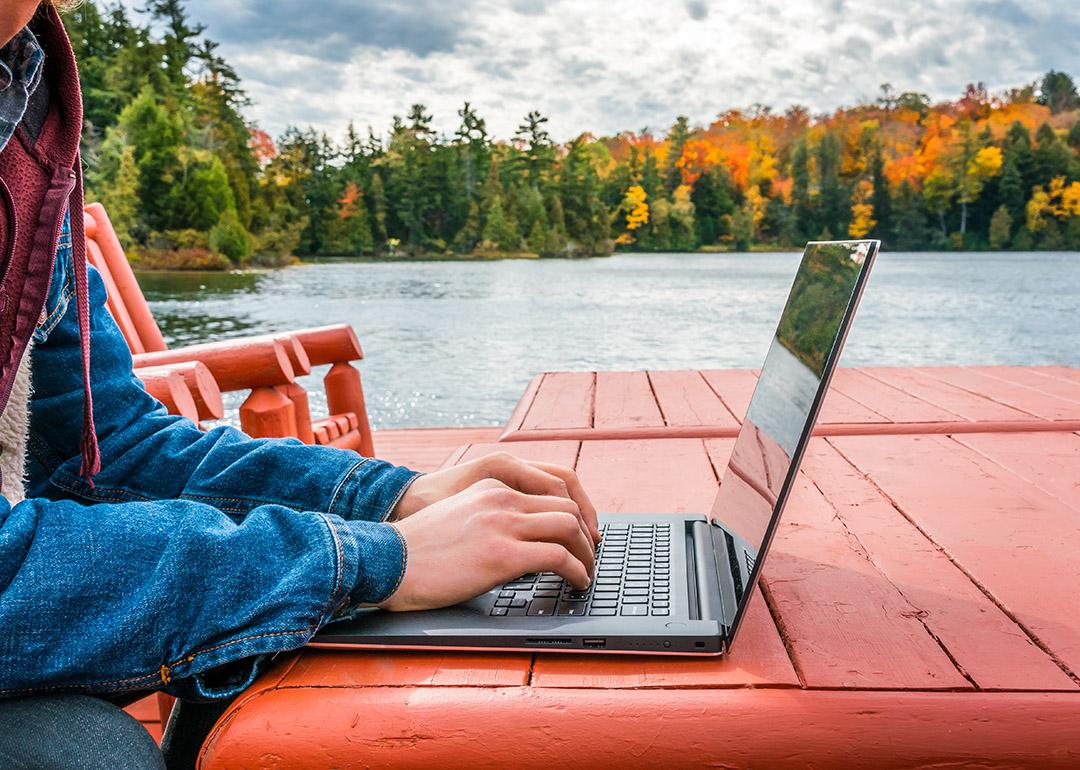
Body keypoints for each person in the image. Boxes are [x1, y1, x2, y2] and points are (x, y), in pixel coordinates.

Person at [0, 2, 598, 768]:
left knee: (286, 655)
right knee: (87, 755)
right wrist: (369, 559)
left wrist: (392, 500)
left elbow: (105, 447)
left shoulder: (23, 105)